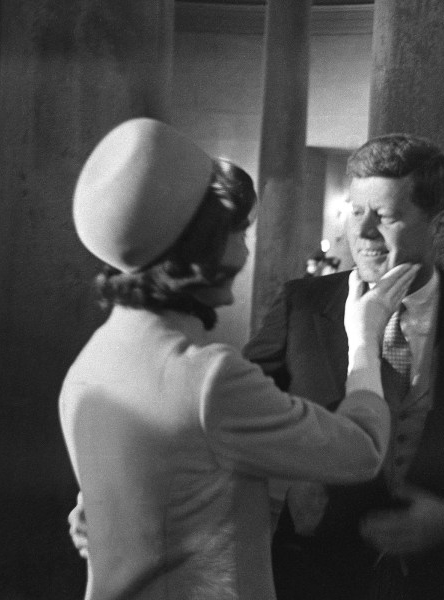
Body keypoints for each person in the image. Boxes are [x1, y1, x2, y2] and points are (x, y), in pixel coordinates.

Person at [61, 118, 421, 599]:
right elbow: (361, 451)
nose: (246, 247)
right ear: (203, 245)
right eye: (238, 230)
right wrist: (363, 339)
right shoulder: (207, 378)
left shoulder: (91, 361)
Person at [244, 134, 444, 600]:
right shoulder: (304, 306)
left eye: (385, 216)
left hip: (434, 579)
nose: (363, 233)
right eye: (356, 211)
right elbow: (234, 414)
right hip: (312, 570)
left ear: (441, 225)